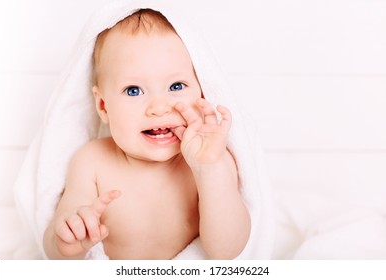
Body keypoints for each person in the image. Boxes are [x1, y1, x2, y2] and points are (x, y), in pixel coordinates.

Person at [43, 8, 251, 260]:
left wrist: (208, 168)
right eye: (133, 90)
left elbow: (227, 252)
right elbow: (57, 244)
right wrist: (69, 242)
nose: (159, 107)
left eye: (176, 86)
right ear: (103, 106)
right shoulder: (92, 162)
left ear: (203, 92)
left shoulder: (212, 162)